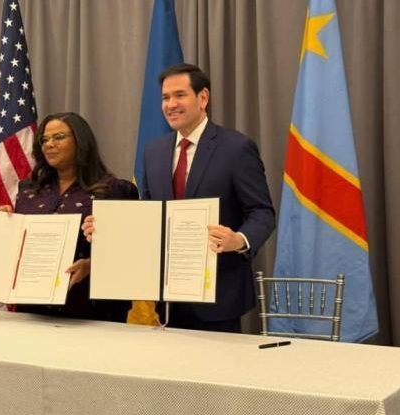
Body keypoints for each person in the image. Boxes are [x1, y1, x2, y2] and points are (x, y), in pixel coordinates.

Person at [84, 63, 275, 333]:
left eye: (179, 95)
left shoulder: (236, 148)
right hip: (167, 299)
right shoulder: (154, 152)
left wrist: (238, 240)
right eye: (165, 97)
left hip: (218, 296)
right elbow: (148, 217)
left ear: (203, 97)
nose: (170, 104)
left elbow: (262, 212)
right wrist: (107, 230)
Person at [0, 112, 139, 321]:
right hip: (33, 309)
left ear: (80, 142)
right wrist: (4, 225)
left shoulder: (114, 190)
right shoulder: (29, 190)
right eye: (45, 140)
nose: (49, 144)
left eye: (58, 137)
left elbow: (133, 253)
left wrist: (91, 265)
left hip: (91, 310)